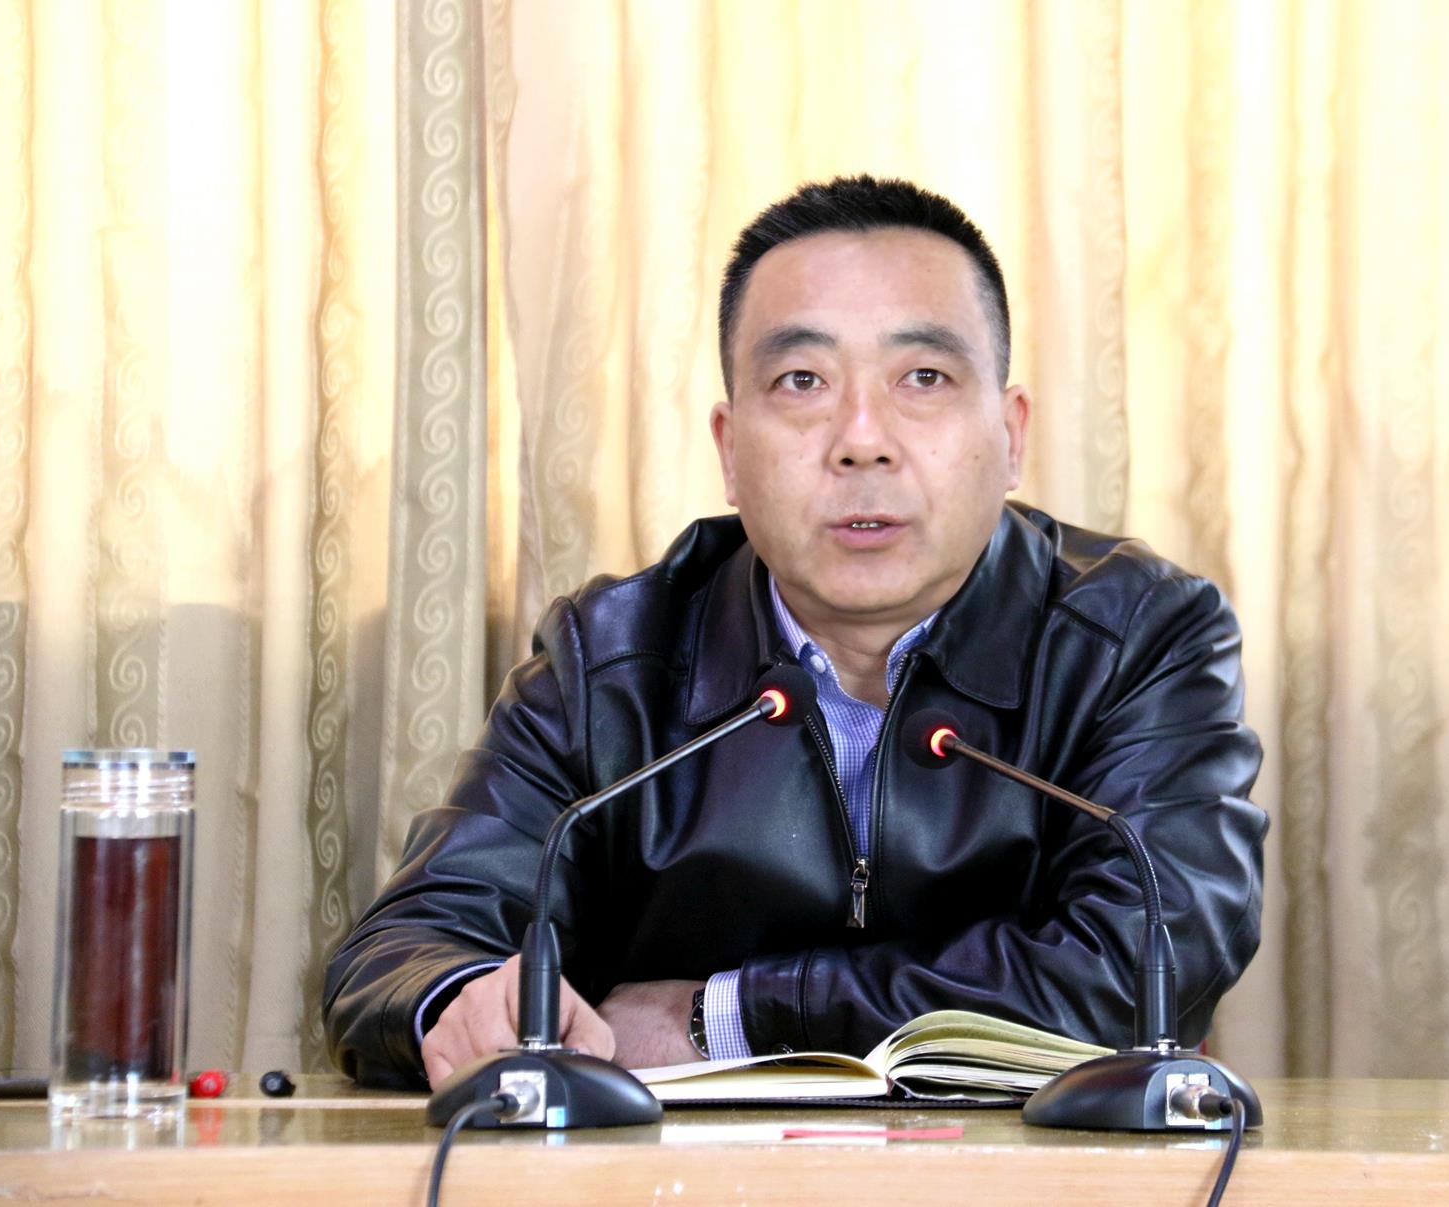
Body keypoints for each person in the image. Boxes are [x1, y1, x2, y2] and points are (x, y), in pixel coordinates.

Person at [324, 175, 1268, 1089]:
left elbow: (1145, 960)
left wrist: (733, 1013)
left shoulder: (1136, 637)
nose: (862, 439)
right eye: (802, 380)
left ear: (1011, 433)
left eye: (924, 377)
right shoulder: (609, 662)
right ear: (730, 450)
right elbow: (405, 949)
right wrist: (465, 1003)